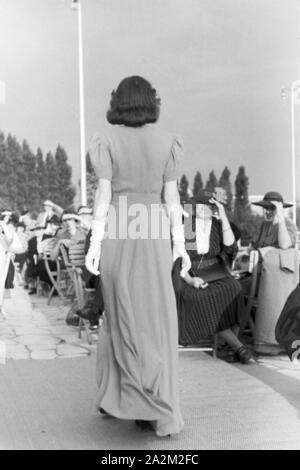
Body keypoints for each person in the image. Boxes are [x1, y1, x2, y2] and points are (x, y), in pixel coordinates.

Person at [85, 75, 191, 437]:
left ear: (118, 101)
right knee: (157, 320)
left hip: (119, 226)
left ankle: (119, 397)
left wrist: (95, 243)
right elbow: (172, 200)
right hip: (154, 228)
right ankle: (153, 405)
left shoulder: (106, 141)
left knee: (119, 314)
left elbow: (103, 196)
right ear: (151, 101)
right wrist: (180, 245)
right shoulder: (168, 143)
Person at [172, 189, 254, 364]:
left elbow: (230, 246)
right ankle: (238, 348)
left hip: (215, 272)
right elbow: (179, 258)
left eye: (209, 205)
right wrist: (190, 280)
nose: (204, 208)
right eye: (201, 204)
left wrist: (223, 214)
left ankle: (227, 345)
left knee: (235, 289)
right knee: (205, 298)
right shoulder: (188, 225)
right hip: (191, 274)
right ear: (195, 206)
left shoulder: (218, 224)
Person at [248, 191, 299, 354]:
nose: (268, 211)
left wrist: (281, 216)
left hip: (277, 279)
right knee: (236, 290)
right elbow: (257, 247)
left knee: (236, 291)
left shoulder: (287, 224)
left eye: (271, 208)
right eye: (266, 208)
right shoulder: (265, 225)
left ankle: (249, 337)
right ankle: (244, 334)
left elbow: (285, 245)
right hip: (260, 274)